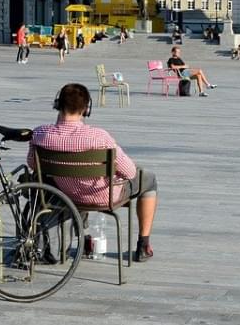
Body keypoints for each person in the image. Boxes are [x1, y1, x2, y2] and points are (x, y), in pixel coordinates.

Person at [29, 83, 159, 262]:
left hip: (66, 193)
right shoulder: (99, 136)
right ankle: (144, 245)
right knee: (149, 179)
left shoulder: (40, 134)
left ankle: (86, 236)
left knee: (73, 180)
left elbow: (33, 164)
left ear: (57, 104)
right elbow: (129, 173)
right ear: (86, 109)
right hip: (104, 195)